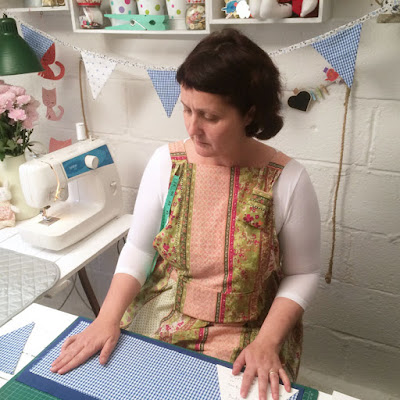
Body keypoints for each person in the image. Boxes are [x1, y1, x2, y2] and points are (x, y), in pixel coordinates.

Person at [51, 28, 320, 400]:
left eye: (210, 116)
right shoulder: (167, 163)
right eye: (187, 110)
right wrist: (106, 318)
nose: (193, 128)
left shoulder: (287, 180)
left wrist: (268, 341)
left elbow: (303, 273)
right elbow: (140, 249)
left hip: (251, 327)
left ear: (249, 114)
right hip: (165, 309)